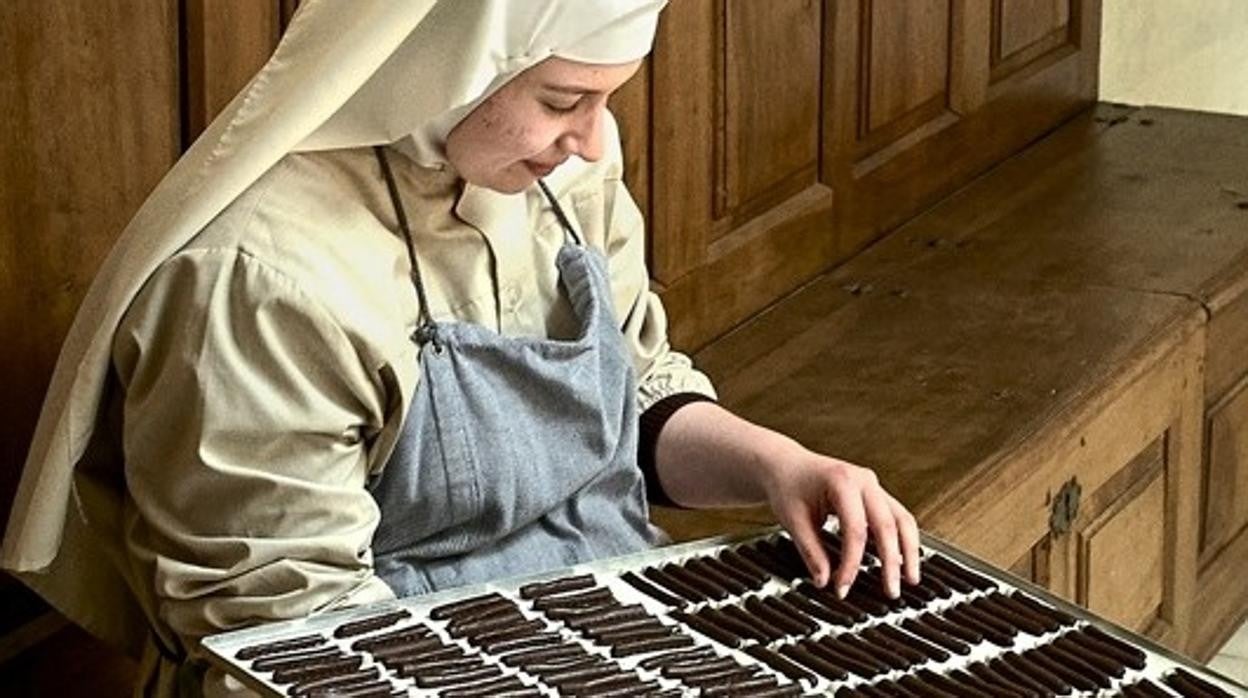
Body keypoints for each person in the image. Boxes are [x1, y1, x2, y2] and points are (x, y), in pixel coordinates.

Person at [2, 1, 920, 695]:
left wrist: (776, 466)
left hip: (600, 633)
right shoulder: (255, 282)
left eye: (608, 100)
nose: (595, 137)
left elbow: (631, 400)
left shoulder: (565, 166)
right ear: (445, 66)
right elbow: (290, 641)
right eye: (563, 98)